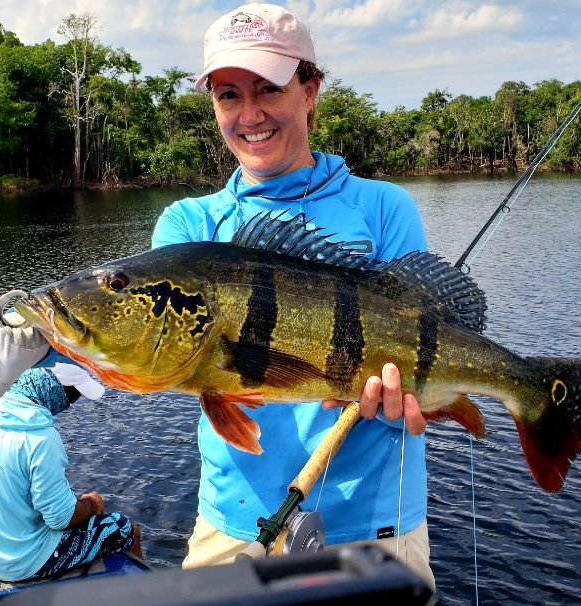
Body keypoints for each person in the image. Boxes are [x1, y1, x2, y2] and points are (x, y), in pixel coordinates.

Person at [152, 3, 435, 588]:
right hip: (233, 520)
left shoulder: (384, 209)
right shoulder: (188, 228)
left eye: (268, 89)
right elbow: (180, 364)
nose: (249, 115)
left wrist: (423, 396)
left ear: (311, 91)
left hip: (373, 522)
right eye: (228, 95)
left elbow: (429, 337)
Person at [0, 363, 142, 582]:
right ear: (50, 386)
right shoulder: (42, 439)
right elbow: (60, 519)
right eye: (72, 394)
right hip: (23, 562)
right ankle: (149, 593)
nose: (70, 404)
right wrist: (92, 504)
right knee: (124, 529)